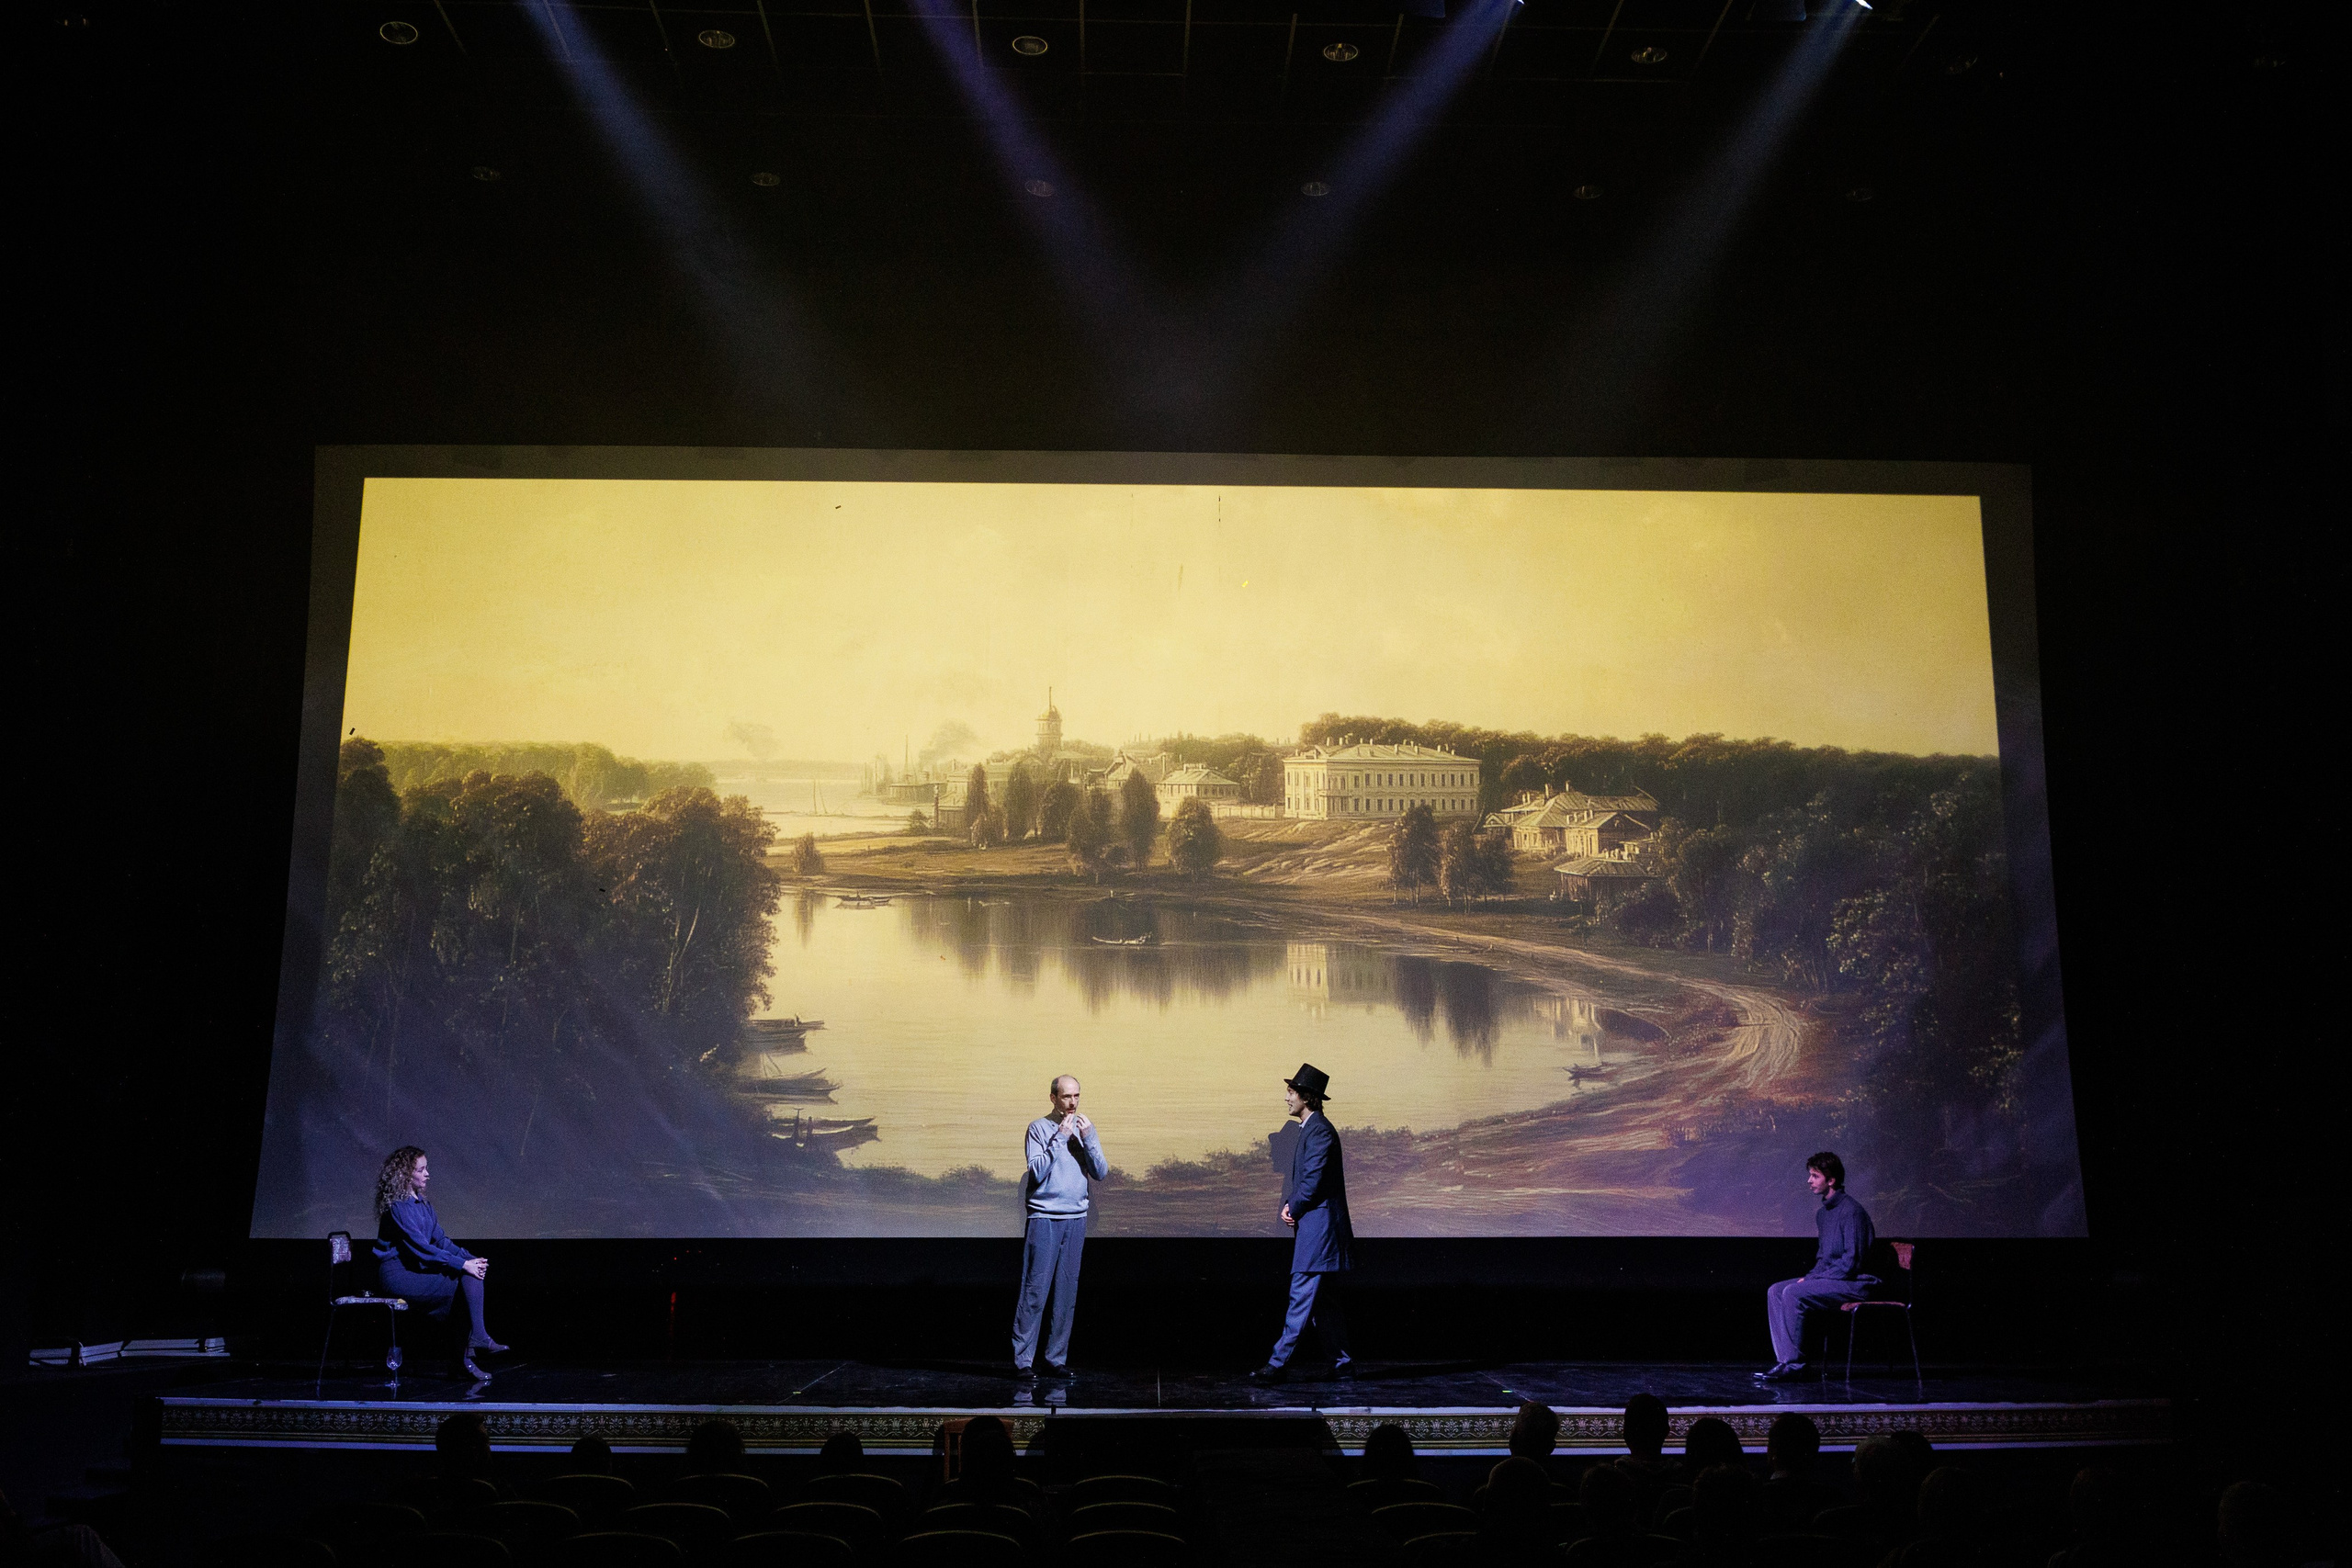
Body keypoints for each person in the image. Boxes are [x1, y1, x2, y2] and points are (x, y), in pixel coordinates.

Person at [1249, 1063, 1353, 1382]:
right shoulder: (1311, 1129)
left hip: (1320, 1233)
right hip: (1317, 1230)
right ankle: (1343, 1363)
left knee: (1301, 1297)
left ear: (1307, 1097)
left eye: (1291, 1092)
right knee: (1323, 1304)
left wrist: (1292, 1206)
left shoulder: (1320, 1130)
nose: (1286, 1098)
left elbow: (1312, 1179)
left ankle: (1277, 1364)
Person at [372, 1145, 506, 1381]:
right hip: (398, 1275)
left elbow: (441, 1241)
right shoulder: (398, 1208)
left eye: (426, 1168)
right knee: (462, 1282)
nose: (427, 1174)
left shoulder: (422, 1204)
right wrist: (462, 1266)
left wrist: (469, 1258)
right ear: (405, 1175)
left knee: (467, 1278)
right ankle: (468, 1351)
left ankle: (467, 1352)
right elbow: (422, 1249)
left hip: (415, 1270)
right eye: (421, 1170)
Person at [1011, 1076, 1106, 1382]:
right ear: (1053, 1098)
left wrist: (1088, 1138)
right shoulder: (1038, 1128)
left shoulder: (1083, 1129)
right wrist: (1060, 1139)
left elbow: (1101, 1172)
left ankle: (1055, 1358)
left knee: (1066, 1293)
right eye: (1066, 1097)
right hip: (1044, 1218)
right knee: (1035, 1291)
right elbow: (1036, 1172)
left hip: (1076, 1218)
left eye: (1077, 1096)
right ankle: (1023, 1361)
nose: (1073, 1103)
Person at [1757, 1150, 1879, 1382]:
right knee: (1775, 1290)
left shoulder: (1852, 1212)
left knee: (1793, 1292)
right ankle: (1785, 1361)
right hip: (1835, 1279)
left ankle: (1795, 1366)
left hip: (1855, 1283)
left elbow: (1851, 1263)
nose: (1809, 1181)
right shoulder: (1823, 1214)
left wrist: (1813, 1281)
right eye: (1810, 1175)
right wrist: (1811, 1276)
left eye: (1815, 1176)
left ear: (1831, 1180)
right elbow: (1823, 1258)